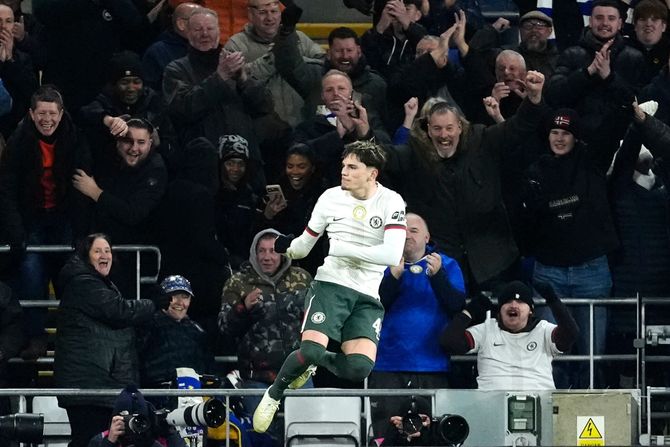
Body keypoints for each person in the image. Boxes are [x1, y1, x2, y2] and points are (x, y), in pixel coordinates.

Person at [252, 139, 407, 433]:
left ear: (372, 174)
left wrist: (344, 249)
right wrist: (287, 246)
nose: (344, 172)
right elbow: (304, 245)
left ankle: (314, 361)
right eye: (343, 166)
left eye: (353, 167)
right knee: (310, 349)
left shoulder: (391, 201)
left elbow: (390, 255)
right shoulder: (330, 198)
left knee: (359, 368)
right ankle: (274, 394)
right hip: (331, 285)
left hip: (367, 295)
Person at [384, 70, 547, 291]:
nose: (444, 135)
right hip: (443, 265)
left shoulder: (482, 140)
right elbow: (383, 157)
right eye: (437, 129)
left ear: (460, 127)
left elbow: (517, 128)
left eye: (449, 128)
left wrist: (534, 98)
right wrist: (362, 136)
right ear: (428, 130)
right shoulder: (415, 155)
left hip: (495, 262)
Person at [0, 85, 90, 359]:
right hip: (32, 219)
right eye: (41, 113)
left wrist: (81, 231)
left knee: (71, 276)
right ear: (31, 114)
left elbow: (82, 186)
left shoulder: (75, 139)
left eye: (52, 113)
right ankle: (36, 336)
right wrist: (16, 232)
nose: (47, 119)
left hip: (64, 217)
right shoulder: (18, 141)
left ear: (61, 114)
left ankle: (71, 336)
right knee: (30, 274)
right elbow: (7, 190)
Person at [54, 233, 155, 447]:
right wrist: (153, 304)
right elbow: (119, 311)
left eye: (107, 250)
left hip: (98, 386)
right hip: (88, 387)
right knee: (88, 441)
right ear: (86, 256)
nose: (104, 255)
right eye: (97, 251)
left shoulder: (100, 284)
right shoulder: (83, 283)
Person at [370, 212, 465, 437]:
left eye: (414, 230)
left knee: (433, 436)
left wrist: (438, 277)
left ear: (427, 237)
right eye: (402, 231)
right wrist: (392, 278)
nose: (407, 235)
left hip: (433, 365)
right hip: (387, 366)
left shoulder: (446, 265)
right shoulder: (379, 265)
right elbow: (371, 308)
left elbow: (456, 307)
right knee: (387, 436)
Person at [218, 228, 312, 444]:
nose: (267, 256)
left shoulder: (302, 278)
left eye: (273, 250)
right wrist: (243, 308)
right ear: (254, 252)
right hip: (257, 379)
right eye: (262, 251)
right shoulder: (238, 282)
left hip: (299, 375)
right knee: (261, 439)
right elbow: (224, 328)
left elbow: (319, 320)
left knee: (307, 437)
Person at [72, 118, 167, 298]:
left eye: (141, 142)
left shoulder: (156, 169)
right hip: (104, 250)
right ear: (117, 142)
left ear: (150, 143)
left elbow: (133, 214)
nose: (134, 148)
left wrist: (95, 192)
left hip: (136, 256)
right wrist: (108, 120)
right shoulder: (110, 158)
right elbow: (85, 115)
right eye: (128, 141)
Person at [441, 281, 579, 390]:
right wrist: (469, 312)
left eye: (520, 302)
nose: (513, 305)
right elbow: (449, 342)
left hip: (539, 403)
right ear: (499, 310)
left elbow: (570, 334)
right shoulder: (487, 329)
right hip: (491, 405)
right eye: (507, 301)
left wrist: (553, 300)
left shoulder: (543, 330)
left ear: (531, 310)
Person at [224, 0, 325, 128]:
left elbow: (323, 65)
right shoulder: (236, 45)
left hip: (302, 125)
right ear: (250, 14)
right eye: (263, 12)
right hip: (261, 129)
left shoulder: (298, 38)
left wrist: (291, 58)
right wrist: (273, 58)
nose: (270, 18)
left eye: (274, 11)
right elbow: (234, 84)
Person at [140, 275, 213, 390]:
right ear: (162, 298)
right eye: (173, 296)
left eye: (185, 297)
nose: (179, 302)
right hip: (158, 393)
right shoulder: (147, 326)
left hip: (195, 393)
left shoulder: (197, 330)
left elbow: (209, 366)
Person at [88, 384, 186, 447]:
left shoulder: (160, 436)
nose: (133, 425)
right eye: (127, 420)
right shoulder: (100, 439)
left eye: (139, 421)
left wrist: (149, 441)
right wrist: (109, 443)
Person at [142, 2, 202, 92]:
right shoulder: (158, 52)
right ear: (181, 24)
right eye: (198, 21)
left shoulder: (209, 48)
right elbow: (150, 91)